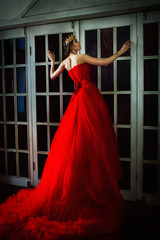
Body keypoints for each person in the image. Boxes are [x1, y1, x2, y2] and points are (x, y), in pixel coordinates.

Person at [0, 34, 131, 240]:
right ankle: (87, 190)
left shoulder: (66, 62)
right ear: (72, 46)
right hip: (87, 97)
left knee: (76, 144)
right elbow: (105, 62)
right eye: (77, 42)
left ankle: (79, 186)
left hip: (77, 100)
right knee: (91, 141)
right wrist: (122, 51)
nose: (79, 43)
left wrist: (52, 62)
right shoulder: (82, 57)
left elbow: (52, 76)